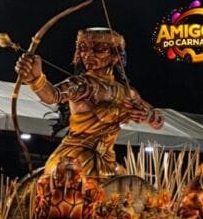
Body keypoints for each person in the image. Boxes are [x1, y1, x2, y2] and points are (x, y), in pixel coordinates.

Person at [15, 28, 162, 184]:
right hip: (74, 159)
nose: (88, 54)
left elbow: (157, 121)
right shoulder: (82, 85)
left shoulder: (127, 92)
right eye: (83, 48)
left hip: (107, 159)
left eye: (99, 49)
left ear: (116, 55)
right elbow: (53, 95)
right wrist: (35, 79)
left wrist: (149, 116)